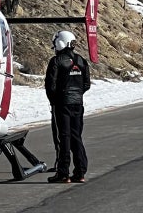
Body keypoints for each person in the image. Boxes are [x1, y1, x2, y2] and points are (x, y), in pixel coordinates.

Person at [45, 30, 91, 183]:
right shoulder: (81, 60)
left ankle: (63, 173)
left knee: (63, 137)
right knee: (76, 136)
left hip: (62, 105)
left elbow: (50, 86)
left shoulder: (56, 61)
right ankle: (80, 171)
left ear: (60, 43)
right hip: (78, 104)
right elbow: (86, 84)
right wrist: (77, 94)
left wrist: (55, 100)